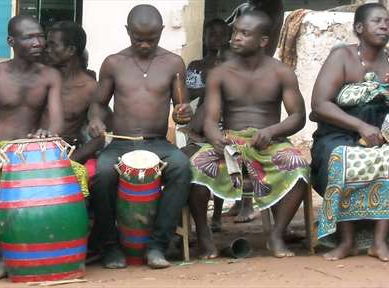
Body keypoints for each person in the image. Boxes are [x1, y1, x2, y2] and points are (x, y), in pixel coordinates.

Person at [0, 15, 89, 279]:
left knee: (79, 174)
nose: (38, 42)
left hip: (38, 152)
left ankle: (67, 250)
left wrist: (49, 133)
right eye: (29, 37)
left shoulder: (50, 75)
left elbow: (56, 120)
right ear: (11, 41)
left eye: (40, 36)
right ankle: (6, 254)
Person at [189, 10, 308, 259]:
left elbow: (298, 116)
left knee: (299, 168)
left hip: (269, 141)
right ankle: (204, 235)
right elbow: (210, 119)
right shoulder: (220, 73)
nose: (235, 38)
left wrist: (272, 131)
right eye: (235, 32)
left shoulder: (281, 72)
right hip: (230, 141)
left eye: (244, 33)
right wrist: (215, 138)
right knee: (194, 167)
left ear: (263, 41)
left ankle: (276, 236)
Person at [87, 4, 193, 269]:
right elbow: (98, 104)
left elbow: (183, 108)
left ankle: (158, 245)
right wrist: (95, 120)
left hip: (158, 142)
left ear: (161, 32)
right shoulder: (114, 63)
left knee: (181, 168)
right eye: (138, 38)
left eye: (152, 39)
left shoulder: (173, 63)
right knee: (101, 175)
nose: (145, 44)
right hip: (121, 142)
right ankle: (111, 247)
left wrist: (183, 113)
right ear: (127, 32)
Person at [310, 3, 389, 262]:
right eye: (377, 21)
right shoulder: (342, 57)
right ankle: (346, 240)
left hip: (386, 135)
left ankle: (379, 241)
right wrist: (360, 126)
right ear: (359, 28)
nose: (385, 26)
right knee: (340, 158)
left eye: (388, 22)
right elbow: (319, 104)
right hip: (339, 133)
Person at [182, 18, 232, 231]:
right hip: (202, 123)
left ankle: (218, 216)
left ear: (229, 37)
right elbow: (189, 95)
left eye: (222, 34)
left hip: (227, 122)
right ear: (204, 37)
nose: (217, 39)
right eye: (212, 34)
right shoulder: (196, 66)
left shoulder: (232, 65)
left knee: (220, 162)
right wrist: (212, 82)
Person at [42, 21, 103, 169]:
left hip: (64, 154)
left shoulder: (89, 88)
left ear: (70, 50)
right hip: (29, 152)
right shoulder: (40, 78)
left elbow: (99, 137)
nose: (46, 49)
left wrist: (71, 161)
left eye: (52, 45)